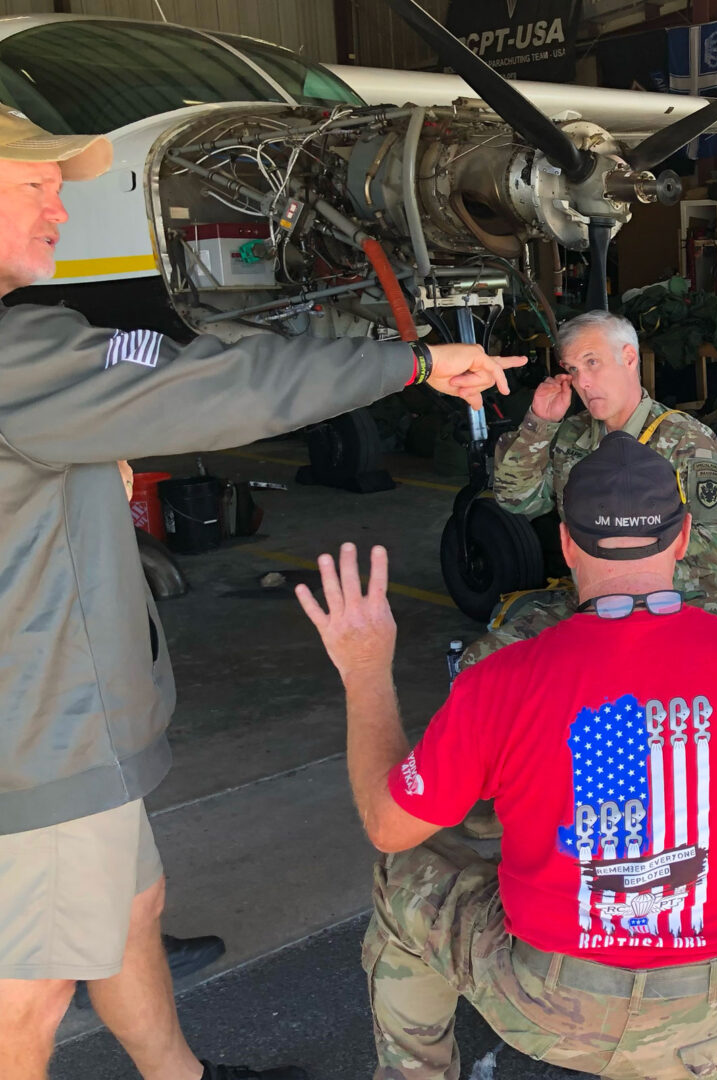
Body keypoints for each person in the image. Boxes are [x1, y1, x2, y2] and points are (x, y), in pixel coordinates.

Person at [0, 114, 523, 1080]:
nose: (59, 207)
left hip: (61, 731)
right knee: (28, 999)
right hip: (40, 740)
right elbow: (212, 382)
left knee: (127, 914)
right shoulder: (17, 360)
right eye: (34, 185)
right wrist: (407, 362)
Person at [296, 433, 717, 1080]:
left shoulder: (500, 676)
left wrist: (367, 672)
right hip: (702, 1013)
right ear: (683, 539)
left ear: (568, 544)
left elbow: (389, 822)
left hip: (547, 1005)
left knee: (408, 869)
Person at [463, 310, 717, 666]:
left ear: (629, 358)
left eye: (592, 363)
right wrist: (540, 424)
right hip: (589, 605)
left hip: (676, 602)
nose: (583, 382)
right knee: (483, 664)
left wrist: (615, 571)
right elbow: (517, 500)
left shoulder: (686, 440)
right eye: (573, 369)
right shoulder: (572, 435)